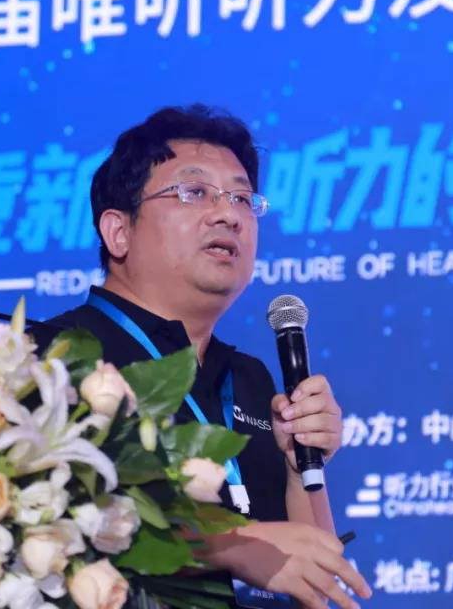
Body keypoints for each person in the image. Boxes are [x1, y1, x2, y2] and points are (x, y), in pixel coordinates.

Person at [31, 105, 372, 609]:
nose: (228, 214)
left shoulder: (251, 379)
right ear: (118, 231)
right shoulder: (49, 358)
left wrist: (300, 469)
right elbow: (41, 535)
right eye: (194, 192)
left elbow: (318, 584)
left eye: (241, 198)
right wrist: (232, 546)